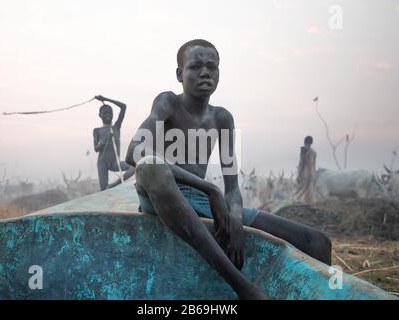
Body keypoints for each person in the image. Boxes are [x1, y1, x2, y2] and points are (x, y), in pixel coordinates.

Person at [125, 40, 331, 300]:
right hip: (163, 193)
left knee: (318, 243)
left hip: (201, 201)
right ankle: (243, 288)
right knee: (150, 167)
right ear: (180, 74)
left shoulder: (222, 118)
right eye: (195, 66)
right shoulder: (168, 103)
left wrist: (234, 217)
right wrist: (210, 188)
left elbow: (232, 187)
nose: (204, 72)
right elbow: (135, 151)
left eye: (211, 67)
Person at [93, 95, 135, 190]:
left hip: (114, 162)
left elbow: (123, 106)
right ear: (100, 115)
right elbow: (96, 148)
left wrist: (106, 99)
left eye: (110, 112)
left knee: (134, 166)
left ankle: (113, 185)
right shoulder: (97, 130)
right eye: (105, 112)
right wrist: (104, 140)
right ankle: (107, 187)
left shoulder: (116, 127)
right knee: (103, 189)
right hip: (102, 163)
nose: (108, 114)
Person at [294, 136, 317, 204]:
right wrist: (313, 174)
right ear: (311, 143)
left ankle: (298, 203)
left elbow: (302, 163)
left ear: (304, 142)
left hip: (304, 174)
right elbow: (314, 164)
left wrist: (299, 175)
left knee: (300, 191)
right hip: (312, 174)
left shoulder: (304, 151)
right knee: (310, 192)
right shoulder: (314, 152)